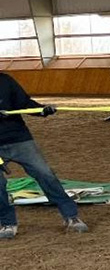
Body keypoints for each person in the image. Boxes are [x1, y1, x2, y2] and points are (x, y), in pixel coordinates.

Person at [0, 76, 87, 240]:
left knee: (45, 174)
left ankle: (71, 216)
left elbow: (24, 104)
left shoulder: (5, 81)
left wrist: (42, 110)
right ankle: (7, 223)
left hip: (19, 139)